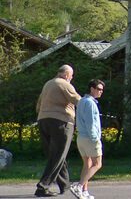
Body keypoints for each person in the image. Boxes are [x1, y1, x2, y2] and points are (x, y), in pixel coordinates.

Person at [35, 64, 82, 197]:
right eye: (71, 76)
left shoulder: (48, 84)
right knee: (58, 155)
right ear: (66, 74)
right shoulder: (64, 83)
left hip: (43, 119)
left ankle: (65, 185)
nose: (71, 78)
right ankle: (43, 186)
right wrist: (89, 104)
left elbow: (39, 103)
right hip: (61, 121)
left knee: (56, 154)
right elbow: (77, 100)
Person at [70, 79, 105, 199]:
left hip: (81, 137)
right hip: (90, 138)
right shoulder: (90, 103)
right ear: (92, 89)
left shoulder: (81, 101)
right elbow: (90, 123)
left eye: (102, 90)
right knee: (97, 164)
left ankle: (84, 191)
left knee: (87, 163)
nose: (101, 92)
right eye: (99, 89)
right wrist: (95, 138)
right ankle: (78, 186)